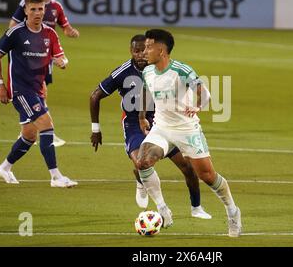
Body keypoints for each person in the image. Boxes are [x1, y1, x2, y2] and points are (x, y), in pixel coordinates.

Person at [89, 34, 211, 219]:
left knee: (187, 167)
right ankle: (157, 202)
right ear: (131, 51)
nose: (141, 55)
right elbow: (95, 95)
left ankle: (196, 207)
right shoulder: (123, 72)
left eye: (144, 50)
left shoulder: (159, 70)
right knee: (141, 163)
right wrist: (96, 129)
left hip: (163, 122)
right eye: (136, 51)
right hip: (133, 124)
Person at [137, 29, 241, 237]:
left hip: (187, 130)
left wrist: (198, 107)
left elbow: (206, 94)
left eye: (148, 47)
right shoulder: (147, 71)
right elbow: (146, 91)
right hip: (162, 127)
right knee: (143, 162)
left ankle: (232, 210)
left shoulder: (181, 70)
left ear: (162, 50)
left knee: (207, 175)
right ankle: (163, 209)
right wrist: (142, 116)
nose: (144, 51)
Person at [0, 0, 77, 188]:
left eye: (40, 9)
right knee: (46, 124)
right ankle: (55, 177)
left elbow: (62, 58)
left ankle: (5, 167)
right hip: (20, 90)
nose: (37, 13)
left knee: (29, 135)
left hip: (38, 90)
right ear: (26, 11)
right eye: (33, 9)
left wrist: (62, 62)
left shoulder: (50, 34)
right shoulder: (15, 33)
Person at [9, 0, 80, 147]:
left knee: (39, 92)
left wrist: (70, 31)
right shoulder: (26, 4)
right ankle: (45, 130)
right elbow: (12, 26)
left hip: (45, 57)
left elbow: (64, 26)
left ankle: (30, 131)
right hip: (26, 57)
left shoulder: (56, 6)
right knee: (36, 92)